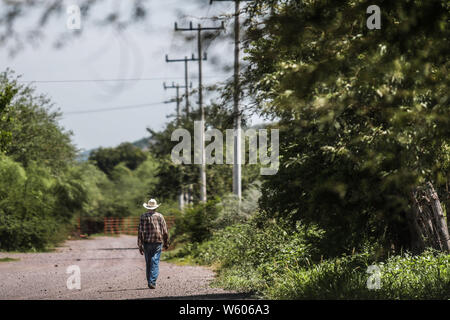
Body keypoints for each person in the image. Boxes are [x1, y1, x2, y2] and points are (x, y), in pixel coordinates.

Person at [137, 198, 169, 289]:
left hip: (146, 242)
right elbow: (165, 231)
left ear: (148, 207)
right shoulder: (160, 216)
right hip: (158, 242)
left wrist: (140, 245)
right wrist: (166, 242)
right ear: (156, 207)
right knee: (155, 261)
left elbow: (140, 231)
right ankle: (152, 281)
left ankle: (150, 281)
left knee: (148, 262)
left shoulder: (143, 216)